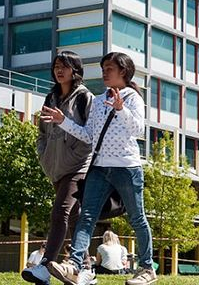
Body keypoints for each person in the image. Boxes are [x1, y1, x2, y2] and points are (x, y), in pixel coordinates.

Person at [42, 52, 155, 285]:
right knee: (86, 217)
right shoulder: (98, 99)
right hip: (99, 167)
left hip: (126, 167)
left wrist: (121, 108)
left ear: (123, 71)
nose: (104, 72)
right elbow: (88, 135)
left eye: (109, 68)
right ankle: (74, 265)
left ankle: (146, 268)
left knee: (137, 218)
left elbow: (139, 131)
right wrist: (63, 121)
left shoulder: (132, 97)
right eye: (103, 68)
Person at [22, 51, 93, 285]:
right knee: (73, 217)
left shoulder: (84, 98)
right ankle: (86, 269)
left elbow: (90, 136)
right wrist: (44, 155)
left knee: (60, 212)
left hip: (77, 167)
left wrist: (74, 157)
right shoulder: (50, 97)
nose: (59, 70)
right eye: (56, 67)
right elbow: (42, 133)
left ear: (76, 70)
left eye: (64, 66)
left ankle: (44, 267)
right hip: (55, 167)